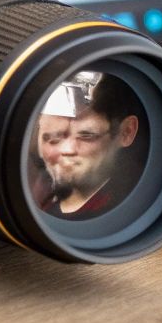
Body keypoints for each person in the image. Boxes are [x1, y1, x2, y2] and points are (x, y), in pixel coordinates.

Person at [32, 73, 144, 217]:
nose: (66, 149)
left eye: (86, 136)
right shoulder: (39, 192)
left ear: (126, 132)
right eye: (54, 138)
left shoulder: (126, 212)